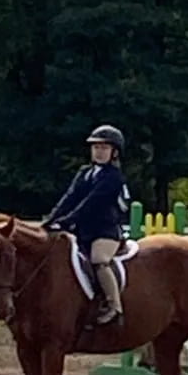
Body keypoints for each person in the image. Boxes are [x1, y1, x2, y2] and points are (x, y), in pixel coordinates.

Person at [44, 124, 131, 325]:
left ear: (114, 152)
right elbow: (69, 198)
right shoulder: (85, 172)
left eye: (104, 148)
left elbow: (90, 205)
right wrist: (49, 221)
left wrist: (65, 223)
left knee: (99, 260)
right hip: (83, 231)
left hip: (106, 232)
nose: (99, 152)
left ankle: (114, 306)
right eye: (96, 147)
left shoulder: (113, 178)